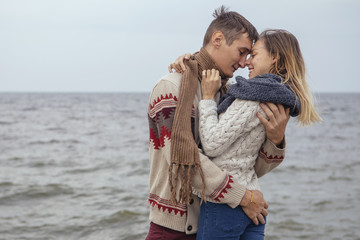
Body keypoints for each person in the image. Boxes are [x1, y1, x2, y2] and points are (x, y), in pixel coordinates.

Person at [146, 6, 290, 240]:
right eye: (242, 52)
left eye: (249, 55)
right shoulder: (170, 88)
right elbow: (180, 161)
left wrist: (276, 139)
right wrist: (243, 197)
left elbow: (245, 165)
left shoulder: (230, 95)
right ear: (218, 39)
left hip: (218, 217)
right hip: (174, 228)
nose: (244, 62)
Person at [178, 29, 322, 239]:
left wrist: (208, 98)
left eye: (253, 55)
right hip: (253, 203)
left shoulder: (254, 97)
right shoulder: (279, 96)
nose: (246, 63)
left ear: (274, 58)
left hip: (227, 204)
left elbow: (212, 143)